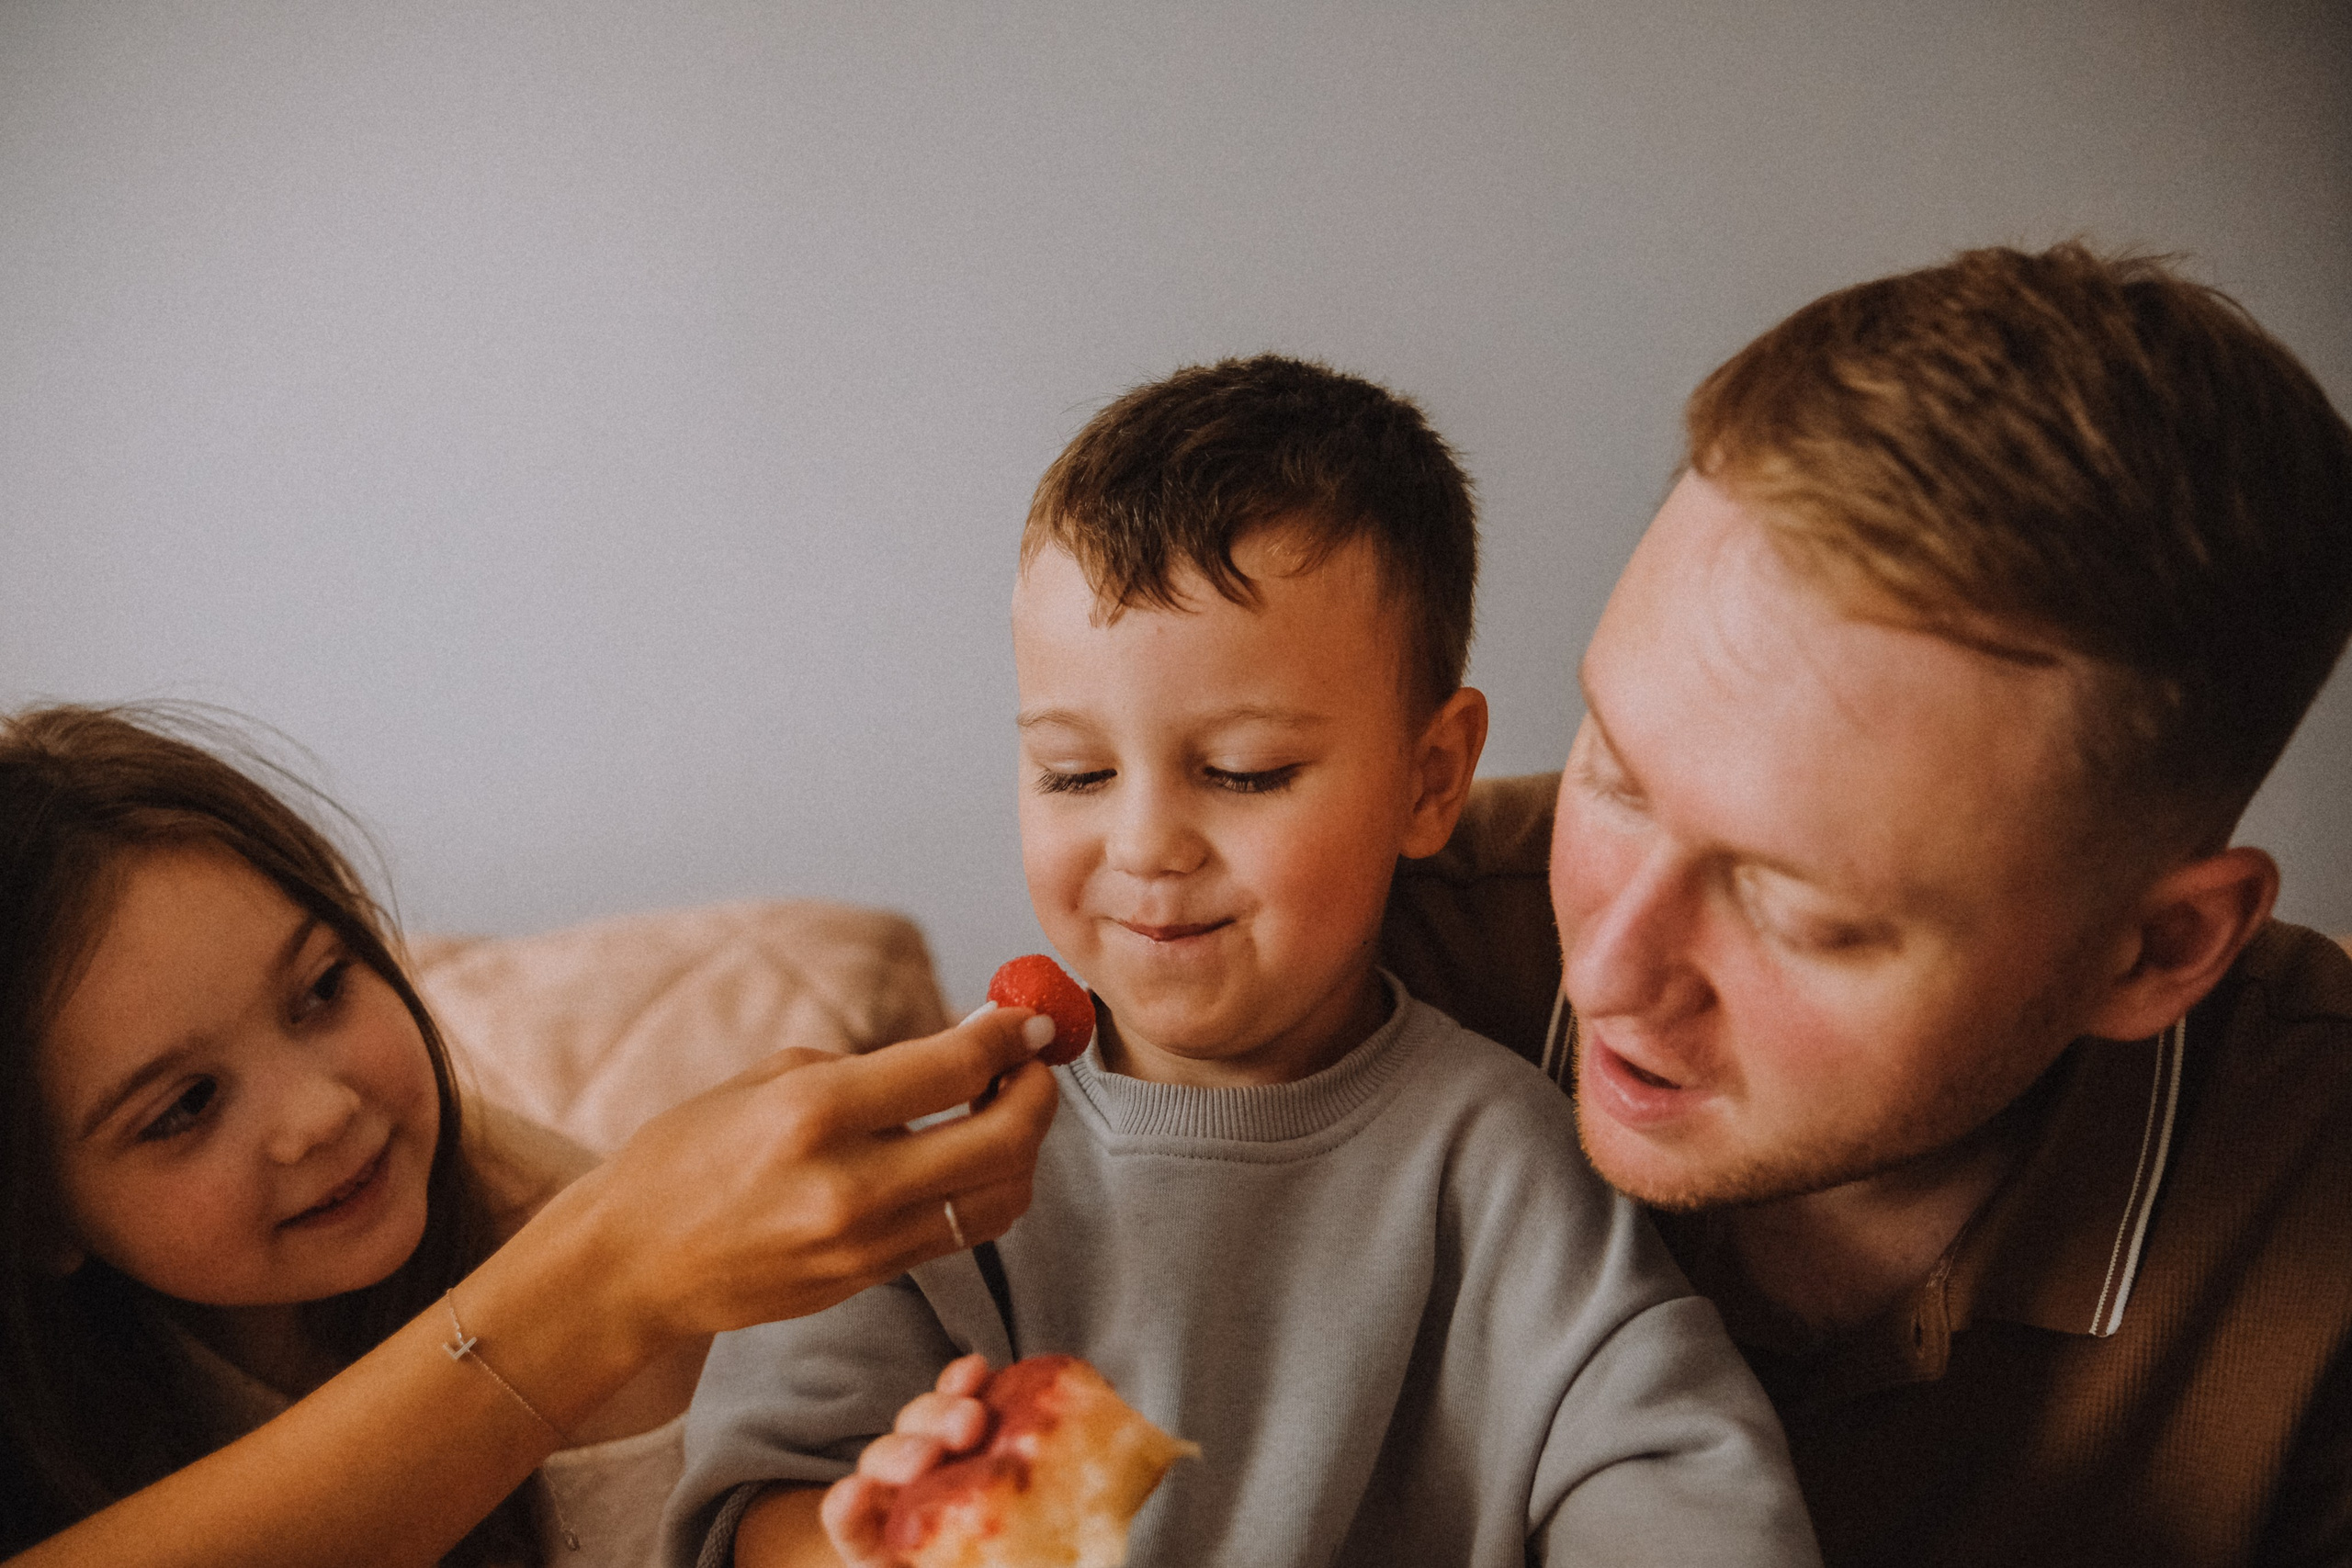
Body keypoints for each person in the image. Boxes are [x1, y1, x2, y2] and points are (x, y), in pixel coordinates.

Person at [666, 356, 1821, 1568]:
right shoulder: (935, 1155)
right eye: (1075, 773)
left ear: (1431, 778)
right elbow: (756, 1503)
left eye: (1246, 771)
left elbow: (1682, 1484)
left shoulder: (1504, 1156)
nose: (1147, 842)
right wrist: (874, 1546)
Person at [1387, 243, 2352, 1565]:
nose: (1606, 971)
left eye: (1803, 911)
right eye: (1616, 773)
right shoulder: (1353, 945)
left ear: (2156, 948)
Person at [0, 705, 1062, 1568]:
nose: (318, 1112)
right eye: (184, 1107)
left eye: (323, 987)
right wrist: (606, 1274)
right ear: (38, 1213)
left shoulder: (651, 1320)